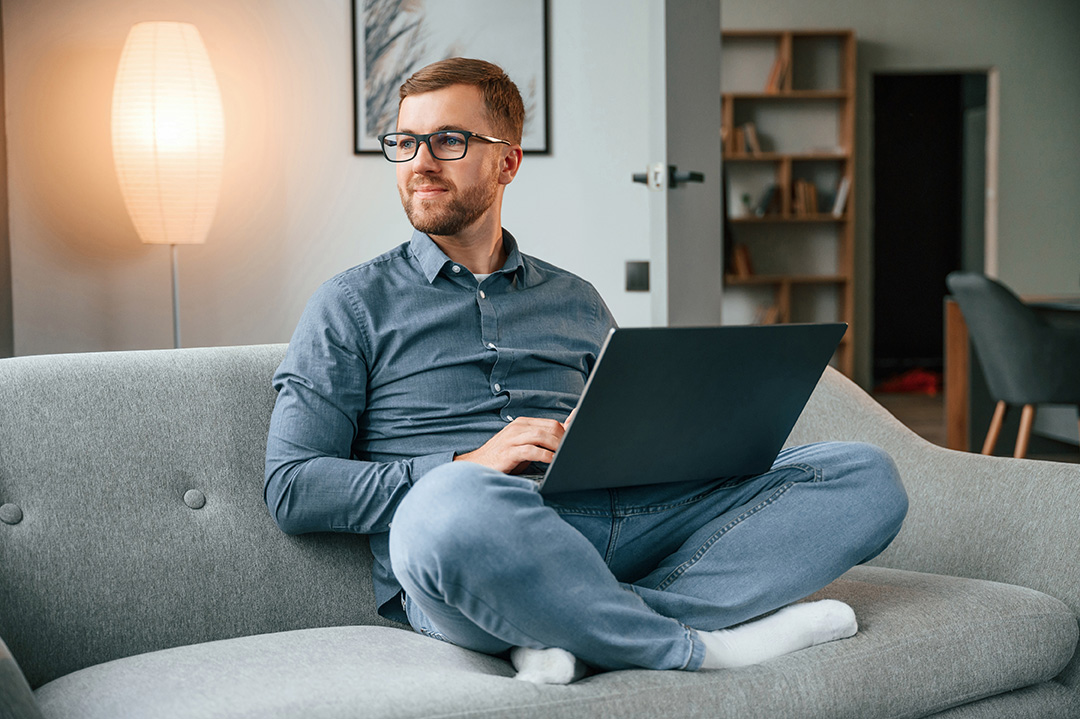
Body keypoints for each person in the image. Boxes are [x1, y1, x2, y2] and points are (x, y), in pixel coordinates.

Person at [265, 57, 908, 684]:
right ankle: (701, 647)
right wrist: (467, 466)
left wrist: (671, 444)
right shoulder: (349, 304)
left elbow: (629, 419)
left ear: (508, 160)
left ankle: (569, 625)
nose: (421, 162)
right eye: (405, 142)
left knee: (863, 475)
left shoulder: (575, 298)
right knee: (443, 509)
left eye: (449, 141)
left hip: (622, 520)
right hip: (481, 543)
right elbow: (293, 487)